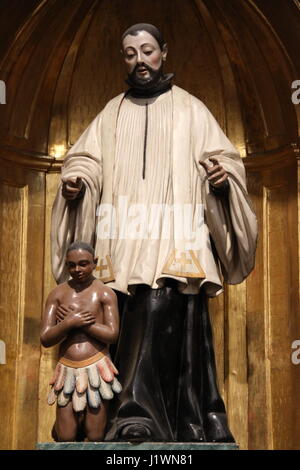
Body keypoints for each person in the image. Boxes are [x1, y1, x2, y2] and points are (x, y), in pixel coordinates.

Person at [51, 23, 257, 442]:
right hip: (123, 239)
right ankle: (133, 420)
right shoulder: (112, 111)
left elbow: (225, 161)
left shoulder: (191, 109)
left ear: (163, 52)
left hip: (175, 238)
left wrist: (220, 181)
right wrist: (77, 181)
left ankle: (146, 417)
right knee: (127, 321)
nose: (139, 61)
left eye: (147, 51)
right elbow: (86, 161)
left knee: (164, 310)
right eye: (130, 54)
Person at [40, 241, 121, 442]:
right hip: (66, 369)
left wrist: (82, 324)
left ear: (94, 263)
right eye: (71, 265)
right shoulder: (57, 294)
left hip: (97, 366)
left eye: (83, 264)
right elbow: (46, 338)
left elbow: (112, 334)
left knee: (95, 433)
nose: (77, 269)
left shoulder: (104, 293)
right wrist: (68, 323)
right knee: (65, 434)